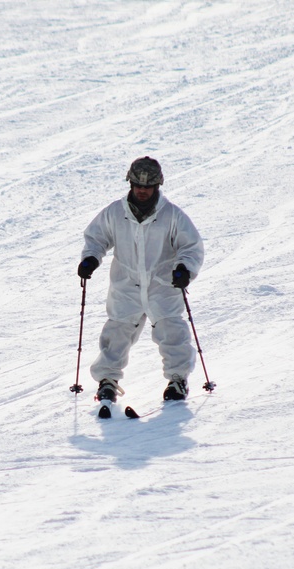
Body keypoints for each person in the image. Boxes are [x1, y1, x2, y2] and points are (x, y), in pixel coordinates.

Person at [77, 156, 204, 405]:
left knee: (171, 331)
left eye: (147, 187)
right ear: (130, 184)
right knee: (117, 331)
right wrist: (91, 258)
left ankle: (177, 380)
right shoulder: (115, 212)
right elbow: (96, 238)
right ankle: (107, 382)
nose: (142, 191)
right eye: (137, 185)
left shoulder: (172, 215)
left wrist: (184, 269)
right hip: (126, 285)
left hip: (163, 285)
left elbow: (191, 247)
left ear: (157, 186)